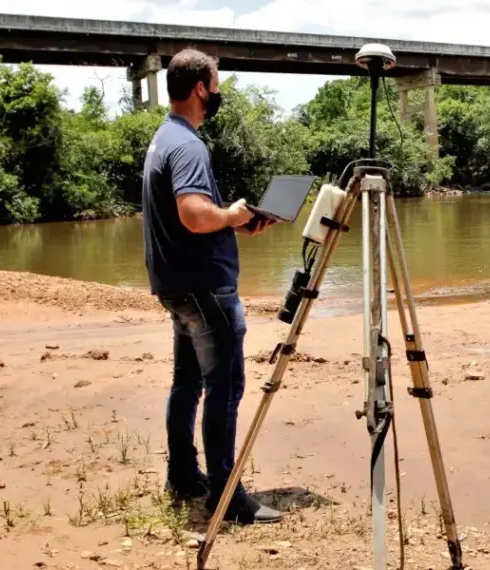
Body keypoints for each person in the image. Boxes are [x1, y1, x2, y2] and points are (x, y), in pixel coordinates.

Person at [141, 48, 282, 524]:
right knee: (223, 389)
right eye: (216, 84)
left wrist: (234, 223)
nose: (218, 92)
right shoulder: (189, 146)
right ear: (201, 87)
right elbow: (194, 213)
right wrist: (230, 215)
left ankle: (183, 474)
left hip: (178, 287)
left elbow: (191, 217)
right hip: (206, 291)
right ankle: (228, 498)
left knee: (187, 383)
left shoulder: (164, 139)